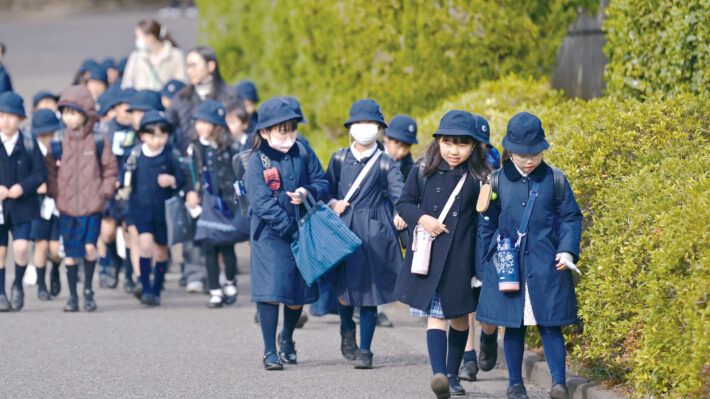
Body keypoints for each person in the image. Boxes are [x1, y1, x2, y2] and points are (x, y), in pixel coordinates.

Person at [475, 112, 583, 399]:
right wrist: (484, 268)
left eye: (535, 153)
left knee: (551, 325)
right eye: (521, 154)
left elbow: (572, 217)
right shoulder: (496, 181)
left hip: (547, 263)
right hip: (509, 265)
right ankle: (515, 383)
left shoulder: (555, 179)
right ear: (509, 150)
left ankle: (559, 383)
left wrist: (568, 249)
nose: (528, 159)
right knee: (513, 327)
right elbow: (486, 227)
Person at [395, 110, 490, 398]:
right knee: (434, 315)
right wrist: (422, 218)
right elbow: (404, 203)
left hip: (462, 257)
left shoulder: (480, 177)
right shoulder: (422, 169)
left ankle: (452, 371)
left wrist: (481, 265)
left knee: (460, 318)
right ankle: (441, 375)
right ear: (438, 141)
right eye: (448, 143)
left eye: (462, 144)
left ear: (473, 146)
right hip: (430, 256)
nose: (454, 150)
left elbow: (485, 221)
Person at [245, 97, 329, 370]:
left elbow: (322, 182)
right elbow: (260, 202)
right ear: (265, 132)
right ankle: (270, 351)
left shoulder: (303, 152)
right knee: (270, 291)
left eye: (292, 129)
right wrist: (288, 227)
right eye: (282, 130)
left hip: (303, 231)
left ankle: (287, 339)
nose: (289, 136)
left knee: (296, 293)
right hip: (269, 236)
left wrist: (309, 192)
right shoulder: (257, 160)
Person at [325, 99, 404, 369]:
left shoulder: (386, 163)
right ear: (351, 127)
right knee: (345, 293)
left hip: (374, 232)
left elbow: (398, 193)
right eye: (359, 123)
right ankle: (347, 329)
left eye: (371, 124)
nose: (365, 128)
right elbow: (326, 189)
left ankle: (366, 351)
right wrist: (332, 203)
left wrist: (400, 212)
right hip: (343, 230)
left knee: (370, 295)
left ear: (380, 129)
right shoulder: (338, 159)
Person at [47, 85, 118, 312]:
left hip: (92, 205)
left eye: (73, 113)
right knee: (70, 253)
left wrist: (105, 190)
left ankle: (88, 290)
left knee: (89, 248)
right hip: (67, 206)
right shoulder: (58, 140)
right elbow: (50, 170)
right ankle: (73, 297)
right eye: (65, 113)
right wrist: (54, 192)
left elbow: (110, 167)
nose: (69, 118)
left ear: (86, 114)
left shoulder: (98, 139)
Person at [123, 110, 185, 306]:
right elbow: (124, 179)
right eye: (152, 135)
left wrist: (172, 180)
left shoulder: (171, 155)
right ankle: (145, 286)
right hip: (140, 209)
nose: (157, 140)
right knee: (145, 245)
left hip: (163, 212)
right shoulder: (134, 155)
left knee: (161, 252)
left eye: (162, 135)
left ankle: (156, 289)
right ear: (142, 136)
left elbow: (184, 178)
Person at [184, 99, 242, 308]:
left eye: (205, 123)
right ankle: (215, 289)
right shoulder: (194, 147)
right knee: (208, 246)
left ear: (217, 125)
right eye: (198, 122)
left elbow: (236, 173)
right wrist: (191, 191)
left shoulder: (230, 147)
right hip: (204, 202)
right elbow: (188, 172)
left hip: (225, 202)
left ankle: (230, 281)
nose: (200, 127)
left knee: (227, 246)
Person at [458, 113, 501, 382]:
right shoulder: (456, 168)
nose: (479, 149)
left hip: (488, 245)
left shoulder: (497, 173)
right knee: (464, 304)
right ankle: (468, 358)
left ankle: (490, 335)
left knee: (486, 302)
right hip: (462, 242)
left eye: (483, 143)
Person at [0, 91, 46, 311]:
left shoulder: (29, 142)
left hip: (23, 205)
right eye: (1, 115)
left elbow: (39, 173)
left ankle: (17, 284)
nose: (6, 120)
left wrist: (23, 187)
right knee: (0, 252)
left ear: (21, 119)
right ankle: (0, 293)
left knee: (20, 249)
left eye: (11, 116)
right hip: (0, 206)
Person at [168, 46, 235, 154]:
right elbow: (167, 131)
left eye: (194, 66)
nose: (189, 71)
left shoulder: (230, 96)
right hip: (189, 163)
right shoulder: (181, 98)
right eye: (188, 66)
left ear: (210, 66)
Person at [29, 109, 64, 301]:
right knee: (40, 245)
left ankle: (56, 269)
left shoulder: (60, 148)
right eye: (43, 134)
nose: (47, 137)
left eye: (49, 133)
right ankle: (41, 285)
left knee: (56, 248)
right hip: (39, 204)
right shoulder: (31, 149)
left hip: (58, 203)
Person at [121, 19, 187, 91]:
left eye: (138, 37)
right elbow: (126, 83)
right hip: (141, 100)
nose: (137, 40)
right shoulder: (136, 56)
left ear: (150, 37)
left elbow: (182, 82)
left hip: (165, 100)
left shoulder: (175, 55)